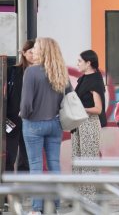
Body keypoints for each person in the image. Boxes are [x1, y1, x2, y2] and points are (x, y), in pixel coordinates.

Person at [20, 37, 68, 214]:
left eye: (37, 48)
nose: (34, 51)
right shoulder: (61, 71)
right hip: (55, 123)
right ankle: (56, 205)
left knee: (36, 166)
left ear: (43, 51)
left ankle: (36, 208)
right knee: (54, 165)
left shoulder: (32, 72)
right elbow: (67, 98)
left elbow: (26, 104)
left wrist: (23, 115)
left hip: (33, 124)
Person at [72, 50, 106, 202]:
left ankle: (90, 198)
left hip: (89, 123)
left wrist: (79, 109)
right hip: (78, 123)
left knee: (88, 161)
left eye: (79, 61)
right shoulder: (83, 78)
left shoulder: (95, 80)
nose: (77, 64)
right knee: (78, 160)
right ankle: (80, 197)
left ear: (88, 63)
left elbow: (98, 109)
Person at [6, 40, 34, 172]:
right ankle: (6, 190)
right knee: (8, 157)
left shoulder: (40, 73)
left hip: (31, 120)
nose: (33, 54)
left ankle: (25, 190)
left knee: (27, 158)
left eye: (36, 52)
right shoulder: (12, 71)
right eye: (30, 52)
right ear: (23, 53)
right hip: (11, 120)